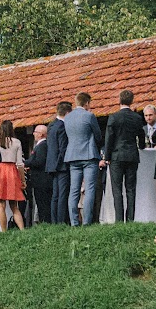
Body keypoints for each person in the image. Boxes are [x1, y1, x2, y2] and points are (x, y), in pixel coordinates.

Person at [103, 90, 146, 223]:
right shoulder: (137, 118)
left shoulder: (114, 117)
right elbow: (141, 135)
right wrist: (142, 146)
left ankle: (119, 220)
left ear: (119, 100)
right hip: (132, 154)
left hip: (116, 155)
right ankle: (130, 218)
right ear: (131, 101)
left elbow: (109, 138)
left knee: (117, 189)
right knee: (131, 188)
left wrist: (107, 156)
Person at [63, 93, 104, 226]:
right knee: (89, 188)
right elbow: (98, 136)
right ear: (86, 103)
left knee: (74, 190)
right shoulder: (89, 116)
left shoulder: (67, 118)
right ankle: (86, 221)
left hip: (73, 156)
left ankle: (74, 221)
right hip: (88, 155)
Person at [0, 120, 27, 231]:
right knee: (14, 205)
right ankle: (22, 229)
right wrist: (23, 180)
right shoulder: (17, 142)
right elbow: (20, 163)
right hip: (12, 171)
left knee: (1, 204)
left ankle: (3, 231)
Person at [47, 102, 71, 224]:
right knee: (62, 194)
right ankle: (61, 221)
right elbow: (63, 148)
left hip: (51, 164)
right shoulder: (62, 126)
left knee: (55, 195)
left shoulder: (51, 126)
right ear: (67, 113)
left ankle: (54, 220)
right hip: (61, 165)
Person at [27, 123, 53, 225]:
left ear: (41, 134)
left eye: (35, 132)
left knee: (42, 203)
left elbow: (39, 161)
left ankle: (45, 222)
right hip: (40, 180)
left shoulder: (42, 146)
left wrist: (26, 163)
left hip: (41, 180)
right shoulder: (41, 145)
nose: (34, 134)